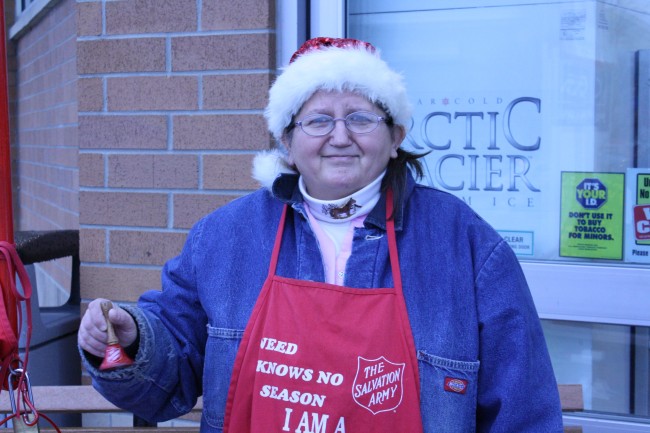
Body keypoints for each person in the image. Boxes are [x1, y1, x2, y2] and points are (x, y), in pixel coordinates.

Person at [78, 37, 563, 432]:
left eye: (359, 117)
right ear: (287, 142)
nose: (339, 136)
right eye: (317, 120)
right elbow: (169, 382)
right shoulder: (225, 238)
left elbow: (523, 413)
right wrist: (132, 340)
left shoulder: (467, 246)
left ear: (395, 138)